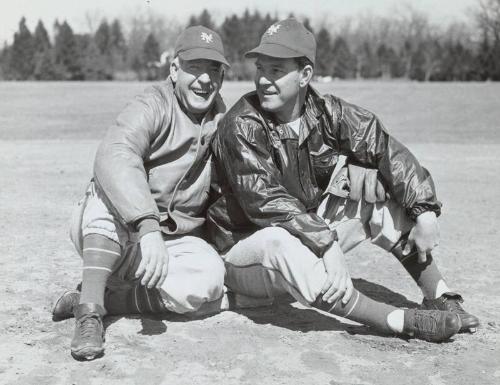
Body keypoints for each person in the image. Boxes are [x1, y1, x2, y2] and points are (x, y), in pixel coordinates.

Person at [207, 18, 479, 343]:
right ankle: (400, 321)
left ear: (305, 75)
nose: (264, 80)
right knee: (280, 242)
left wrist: (424, 211)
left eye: (276, 71)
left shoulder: (327, 113)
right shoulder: (241, 124)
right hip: (244, 251)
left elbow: (383, 148)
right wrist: (327, 244)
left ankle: (439, 294)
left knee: (378, 192)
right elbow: (266, 202)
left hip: (304, 232)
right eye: (260, 68)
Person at [52, 26, 230, 361]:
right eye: (194, 67)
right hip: (117, 235)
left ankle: (107, 300)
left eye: (214, 69)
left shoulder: (224, 120)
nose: (204, 79)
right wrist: (147, 227)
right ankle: (90, 313)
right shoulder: (152, 104)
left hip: (169, 248)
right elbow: (115, 153)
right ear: (174, 70)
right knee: (105, 190)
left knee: (210, 277)